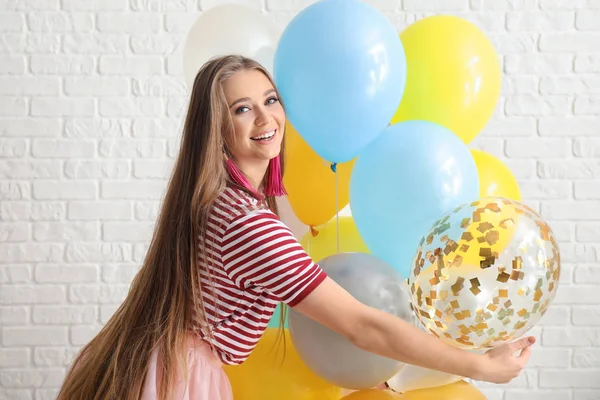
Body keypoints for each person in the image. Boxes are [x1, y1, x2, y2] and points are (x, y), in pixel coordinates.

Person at [56, 55, 535, 400]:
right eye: (242, 108)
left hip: (149, 365)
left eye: (271, 99)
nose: (266, 117)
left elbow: (294, 240)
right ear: (216, 127)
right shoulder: (246, 225)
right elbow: (363, 326)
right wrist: (480, 365)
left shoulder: (214, 202)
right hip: (180, 381)